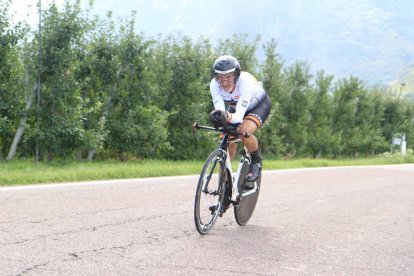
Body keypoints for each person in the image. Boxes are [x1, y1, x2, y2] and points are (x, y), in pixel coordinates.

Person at [208, 55, 271, 186]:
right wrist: (220, 117)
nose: (224, 81)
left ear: (236, 75)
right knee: (226, 139)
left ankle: (256, 161)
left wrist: (228, 117)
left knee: (243, 131)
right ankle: (223, 185)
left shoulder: (245, 83)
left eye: (228, 77)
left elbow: (238, 116)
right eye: (220, 77)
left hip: (258, 106)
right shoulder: (214, 85)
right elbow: (221, 110)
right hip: (235, 108)